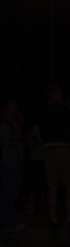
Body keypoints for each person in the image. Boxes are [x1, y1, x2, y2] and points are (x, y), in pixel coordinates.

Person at [37, 84, 70, 230]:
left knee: (52, 186)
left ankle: (53, 219)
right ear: (53, 95)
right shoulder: (63, 110)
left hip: (48, 148)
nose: (61, 95)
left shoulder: (42, 112)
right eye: (59, 93)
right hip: (62, 147)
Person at [0, 97, 26, 232]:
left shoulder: (14, 124)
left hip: (16, 163)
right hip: (9, 163)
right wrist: (19, 143)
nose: (14, 109)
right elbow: (6, 143)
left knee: (13, 193)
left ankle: (10, 221)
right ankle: (8, 223)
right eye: (11, 107)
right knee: (9, 193)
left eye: (16, 107)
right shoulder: (6, 124)